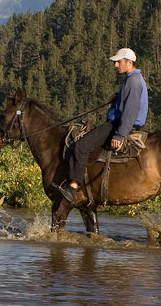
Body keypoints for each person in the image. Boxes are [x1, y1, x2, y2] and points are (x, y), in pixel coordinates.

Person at [59, 47, 148, 203]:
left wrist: (120, 135)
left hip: (118, 124)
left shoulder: (133, 82)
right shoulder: (131, 79)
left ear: (129, 62)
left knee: (81, 146)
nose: (116, 65)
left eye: (118, 62)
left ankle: (73, 187)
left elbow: (130, 112)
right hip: (119, 122)